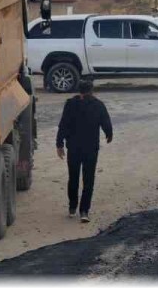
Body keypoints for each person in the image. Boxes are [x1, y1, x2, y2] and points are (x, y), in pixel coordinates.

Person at [56, 81, 112, 223]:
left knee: (73, 178)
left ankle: (72, 207)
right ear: (92, 90)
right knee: (89, 180)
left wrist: (59, 144)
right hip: (91, 149)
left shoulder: (70, 104)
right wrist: (108, 134)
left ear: (78, 90)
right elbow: (106, 123)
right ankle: (84, 211)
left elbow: (63, 124)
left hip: (73, 148)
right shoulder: (98, 105)